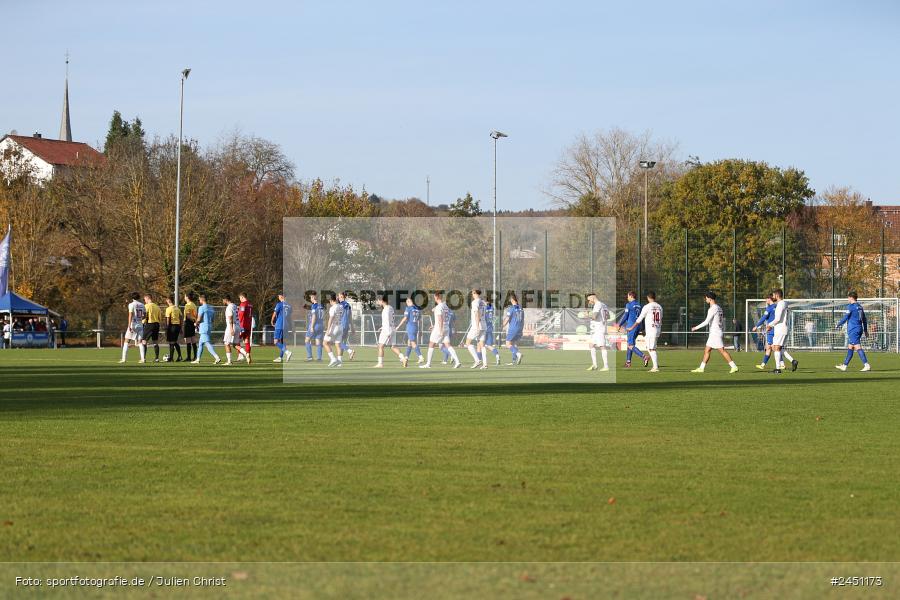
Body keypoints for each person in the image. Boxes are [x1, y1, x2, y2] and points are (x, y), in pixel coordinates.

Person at [690, 292, 738, 373]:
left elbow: (706, 321)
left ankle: (734, 366)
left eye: (706, 298)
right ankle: (701, 368)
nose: (705, 300)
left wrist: (696, 328)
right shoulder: (719, 308)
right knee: (707, 350)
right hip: (715, 332)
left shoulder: (713, 308)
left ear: (710, 298)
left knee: (722, 351)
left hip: (715, 333)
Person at [419, 291, 461, 368]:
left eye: (434, 297)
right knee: (448, 345)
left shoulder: (439, 307)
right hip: (446, 327)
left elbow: (440, 319)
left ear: (437, 297)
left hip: (440, 328)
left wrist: (439, 329)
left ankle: (428, 364)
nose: (434, 299)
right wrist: (435, 325)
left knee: (431, 344)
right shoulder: (445, 306)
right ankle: (457, 361)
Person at [835, 291, 871, 372]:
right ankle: (844, 365)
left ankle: (866, 364)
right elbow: (864, 320)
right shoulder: (860, 307)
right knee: (850, 347)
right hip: (859, 328)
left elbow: (845, 317)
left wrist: (838, 324)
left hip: (853, 330)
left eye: (848, 297)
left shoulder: (851, 306)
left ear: (851, 297)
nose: (847, 299)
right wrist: (865, 330)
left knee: (857, 347)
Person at [629, 291, 662, 372]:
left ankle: (655, 367)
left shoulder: (647, 306)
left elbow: (639, 319)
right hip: (657, 329)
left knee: (651, 349)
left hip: (651, 330)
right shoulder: (660, 307)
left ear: (648, 298)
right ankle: (655, 365)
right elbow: (661, 319)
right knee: (650, 348)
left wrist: (631, 328)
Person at [767, 288, 798, 374]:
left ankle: (777, 369)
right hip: (783, 328)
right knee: (776, 347)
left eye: (773, 295)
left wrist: (770, 325)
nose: (772, 297)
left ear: (777, 295)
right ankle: (793, 361)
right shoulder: (784, 303)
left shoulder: (780, 304)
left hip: (780, 329)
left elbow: (777, 319)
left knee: (776, 348)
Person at [374, 295, 407, 367]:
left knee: (380, 346)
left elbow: (387, 320)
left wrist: (385, 329)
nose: (377, 302)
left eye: (378, 300)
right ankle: (403, 358)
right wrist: (382, 327)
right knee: (393, 347)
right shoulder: (390, 307)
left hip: (387, 329)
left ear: (382, 300)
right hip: (392, 328)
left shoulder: (385, 309)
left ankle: (380, 364)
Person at [617, 291, 648, 368]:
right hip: (638, 326)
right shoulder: (639, 305)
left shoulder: (629, 305)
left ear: (631, 296)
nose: (627, 298)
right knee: (629, 344)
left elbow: (625, 316)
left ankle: (644, 357)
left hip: (631, 327)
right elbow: (642, 318)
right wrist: (643, 328)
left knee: (630, 345)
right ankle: (628, 362)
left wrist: (619, 324)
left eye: (628, 296)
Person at [751, 295, 777, 370]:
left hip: (770, 329)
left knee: (773, 348)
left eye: (766, 299)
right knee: (769, 347)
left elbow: (763, 318)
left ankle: (785, 362)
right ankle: (763, 365)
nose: (766, 300)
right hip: (776, 329)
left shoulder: (769, 308)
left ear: (769, 299)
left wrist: (756, 326)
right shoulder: (777, 306)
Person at [193, 294, 221, 364]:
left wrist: (196, 323)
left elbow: (199, 319)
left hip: (204, 327)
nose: (199, 301)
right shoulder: (211, 308)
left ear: (202, 299)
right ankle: (198, 359)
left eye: (199, 300)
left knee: (207, 343)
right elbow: (213, 319)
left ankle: (216, 357)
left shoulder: (201, 308)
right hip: (209, 326)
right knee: (200, 344)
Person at [586, 292, 610, 371]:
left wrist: (588, 315)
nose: (589, 302)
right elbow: (608, 316)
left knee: (602, 346)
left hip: (600, 328)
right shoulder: (604, 305)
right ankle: (595, 365)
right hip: (599, 328)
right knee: (591, 345)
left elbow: (594, 316)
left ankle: (606, 366)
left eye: (589, 300)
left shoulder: (598, 304)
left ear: (593, 298)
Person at [464, 289, 488, 369]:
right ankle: (485, 364)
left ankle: (477, 360)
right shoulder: (483, 302)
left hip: (476, 326)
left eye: (472, 293)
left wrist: (477, 326)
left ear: (475, 293)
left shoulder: (475, 302)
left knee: (467, 343)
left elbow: (477, 313)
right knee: (482, 345)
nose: (472, 295)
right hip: (484, 325)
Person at [119, 292, 146, 363]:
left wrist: (129, 325)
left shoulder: (131, 305)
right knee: (140, 342)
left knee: (126, 341)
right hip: (140, 325)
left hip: (133, 324)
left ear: (132, 297)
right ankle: (143, 359)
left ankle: (123, 359)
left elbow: (130, 315)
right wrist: (139, 319)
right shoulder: (142, 305)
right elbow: (145, 316)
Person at [395, 297, 424, 364]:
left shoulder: (408, 308)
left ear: (409, 302)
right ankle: (406, 357)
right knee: (409, 342)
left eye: (407, 302)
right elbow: (420, 320)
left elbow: (405, 318)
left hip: (410, 327)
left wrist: (398, 326)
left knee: (413, 343)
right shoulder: (417, 309)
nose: (406, 304)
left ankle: (420, 357)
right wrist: (420, 330)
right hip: (415, 327)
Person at [323, 293, 345, 367]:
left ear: (331, 300)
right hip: (340, 327)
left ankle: (333, 359)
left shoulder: (333, 308)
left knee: (325, 343)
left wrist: (328, 329)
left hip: (334, 327)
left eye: (329, 300)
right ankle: (339, 362)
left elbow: (331, 319)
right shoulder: (341, 306)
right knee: (338, 344)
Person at [502, 293, 524, 365]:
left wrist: (502, 325)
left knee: (508, 344)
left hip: (513, 328)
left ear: (512, 299)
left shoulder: (511, 308)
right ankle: (514, 361)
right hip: (520, 328)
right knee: (514, 344)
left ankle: (518, 354)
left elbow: (507, 319)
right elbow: (522, 319)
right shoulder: (521, 308)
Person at [222, 295, 244, 365]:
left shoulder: (229, 307)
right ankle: (245, 353)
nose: (222, 301)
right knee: (235, 344)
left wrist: (231, 328)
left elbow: (230, 318)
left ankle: (229, 361)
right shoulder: (234, 306)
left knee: (226, 343)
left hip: (231, 326)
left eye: (223, 300)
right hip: (238, 325)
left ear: (226, 299)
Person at [272, 293, 293, 363]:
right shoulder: (289, 306)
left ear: (281, 296)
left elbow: (275, 313)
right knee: (283, 342)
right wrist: (292, 327)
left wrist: (272, 320)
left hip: (279, 325)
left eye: (278, 296)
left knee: (276, 341)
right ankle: (280, 357)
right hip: (286, 326)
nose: (278, 297)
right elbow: (290, 318)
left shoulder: (279, 304)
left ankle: (287, 352)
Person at [305, 292, 325, 362]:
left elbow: (314, 316)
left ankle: (310, 357)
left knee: (307, 340)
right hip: (321, 325)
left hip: (315, 325)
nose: (310, 299)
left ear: (313, 298)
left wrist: (312, 326)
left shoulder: (314, 306)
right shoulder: (321, 306)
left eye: (310, 298)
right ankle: (319, 358)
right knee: (318, 341)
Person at [142, 293, 162, 363]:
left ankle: (143, 358)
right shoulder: (157, 306)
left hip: (149, 324)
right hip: (156, 324)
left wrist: (142, 322)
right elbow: (160, 318)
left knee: (144, 341)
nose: (145, 301)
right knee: (155, 342)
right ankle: (157, 358)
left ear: (147, 298)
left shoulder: (146, 306)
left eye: (145, 299)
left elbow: (145, 316)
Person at [164, 296, 183, 362]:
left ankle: (171, 358)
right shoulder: (177, 308)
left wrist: (167, 328)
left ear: (169, 301)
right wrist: (180, 327)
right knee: (174, 342)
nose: (166, 302)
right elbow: (181, 318)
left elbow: (168, 319)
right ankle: (179, 356)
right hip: (177, 326)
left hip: (172, 326)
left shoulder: (168, 309)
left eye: (167, 300)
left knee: (171, 343)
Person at [483, 299, 501, 366]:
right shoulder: (492, 308)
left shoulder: (484, 308)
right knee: (488, 345)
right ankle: (497, 355)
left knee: (481, 345)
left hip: (484, 329)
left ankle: (480, 361)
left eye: (484, 301)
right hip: (490, 328)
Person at [337, 292, 355, 360]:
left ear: (341, 297)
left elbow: (338, 316)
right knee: (343, 342)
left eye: (339, 296)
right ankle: (340, 359)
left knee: (338, 342)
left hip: (341, 325)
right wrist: (352, 327)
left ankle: (350, 351)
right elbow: (350, 317)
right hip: (347, 325)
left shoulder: (340, 305)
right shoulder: (348, 305)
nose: (338, 298)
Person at [237, 292, 253, 365]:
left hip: (242, 325)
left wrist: (238, 322)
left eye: (240, 298)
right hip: (249, 325)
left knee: (235, 340)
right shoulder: (250, 304)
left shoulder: (243, 304)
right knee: (246, 341)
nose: (240, 300)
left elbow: (241, 314)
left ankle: (240, 355)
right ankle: (248, 354)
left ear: (242, 297)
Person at [182, 292, 199, 362]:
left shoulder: (187, 305)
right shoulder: (194, 305)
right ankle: (195, 356)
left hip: (188, 323)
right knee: (193, 339)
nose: (184, 297)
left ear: (187, 297)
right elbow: (195, 314)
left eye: (185, 296)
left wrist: (192, 320)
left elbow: (188, 315)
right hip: (192, 323)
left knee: (188, 340)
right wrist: (195, 321)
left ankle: (189, 357)